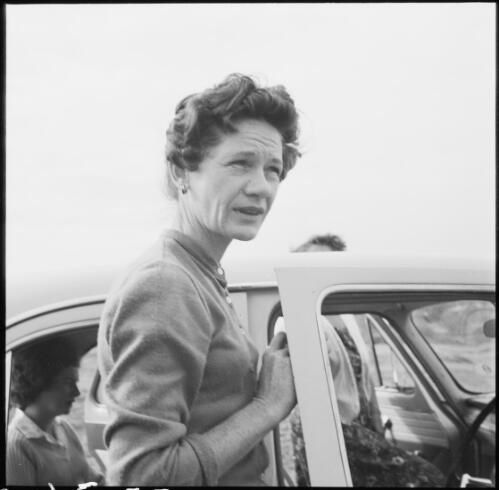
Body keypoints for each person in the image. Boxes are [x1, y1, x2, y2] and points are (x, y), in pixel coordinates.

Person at [97, 74, 300, 486]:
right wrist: (268, 405)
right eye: (240, 163)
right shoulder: (165, 285)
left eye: (273, 169)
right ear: (180, 172)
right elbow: (142, 474)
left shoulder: (198, 274)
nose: (261, 187)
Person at [290, 233, 446, 487]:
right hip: (332, 434)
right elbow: (305, 398)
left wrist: (377, 428)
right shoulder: (299, 319)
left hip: (359, 427)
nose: (322, 272)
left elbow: (365, 381)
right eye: (314, 264)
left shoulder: (348, 315)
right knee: (429, 477)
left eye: (331, 265)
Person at [6, 338, 104, 486]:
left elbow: (93, 480)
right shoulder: (16, 444)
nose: (77, 393)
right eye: (68, 382)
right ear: (39, 382)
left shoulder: (63, 428)